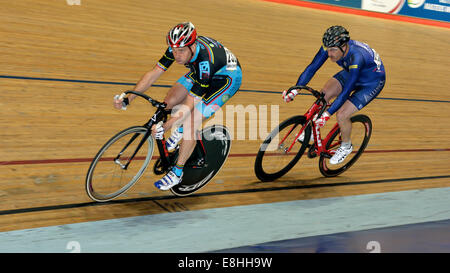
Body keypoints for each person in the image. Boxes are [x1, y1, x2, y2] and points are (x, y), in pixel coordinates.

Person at [114, 22, 242, 190]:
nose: (177, 56)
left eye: (181, 51)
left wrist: (167, 125)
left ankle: (177, 172)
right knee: (170, 99)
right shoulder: (177, 48)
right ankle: (178, 131)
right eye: (174, 51)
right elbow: (154, 73)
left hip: (226, 78)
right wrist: (128, 99)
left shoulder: (205, 63)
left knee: (191, 121)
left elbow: (191, 102)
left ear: (192, 46)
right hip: (202, 71)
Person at [282, 25, 385, 164]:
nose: (329, 53)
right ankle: (312, 132)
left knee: (342, 114)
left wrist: (328, 114)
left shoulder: (357, 57)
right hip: (352, 72)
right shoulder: (330, 46)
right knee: (323, 95)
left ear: (344, 46)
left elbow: (347, 90)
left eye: (333, 50)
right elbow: (312, 68)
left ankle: (346, 146)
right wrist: (295, 89)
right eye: (327, 49)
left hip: (371, 82)